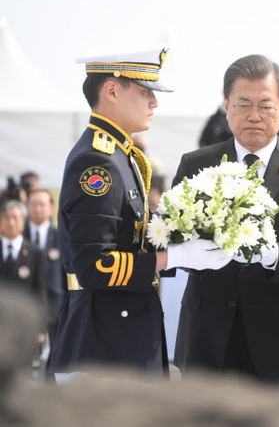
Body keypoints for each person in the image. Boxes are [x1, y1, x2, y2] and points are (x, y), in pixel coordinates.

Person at [49, 48, 231, 383]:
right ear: (112, 91)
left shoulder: (121, 154)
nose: (154, 102)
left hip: (120, 339)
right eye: (146, 91)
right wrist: (170, 256)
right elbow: (96, 266)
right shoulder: (98, 161)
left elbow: (130, 240)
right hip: (104, 347)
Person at [168, 54, 279, 383]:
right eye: (244, 104)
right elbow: (172, 238)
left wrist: (272, 253)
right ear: (226, 106)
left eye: (266, 105)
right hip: (209, 340)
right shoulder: (196, 164)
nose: (255, 116)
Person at [24, 189, 66, 347]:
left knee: (53, 363)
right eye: (33, 204)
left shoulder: (61, 237)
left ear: (51, 207)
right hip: (23, 308)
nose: (38, 208)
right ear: (27, 207)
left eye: (42, 204)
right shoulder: (19, 236)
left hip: (54, 311)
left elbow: (66, 274)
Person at [0, 199, 47, 303]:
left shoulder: (36, 253)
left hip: (25, 316)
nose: (11, 223)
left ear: (23, 221)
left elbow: (40, 292)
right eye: (6, 218)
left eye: (15, 218)